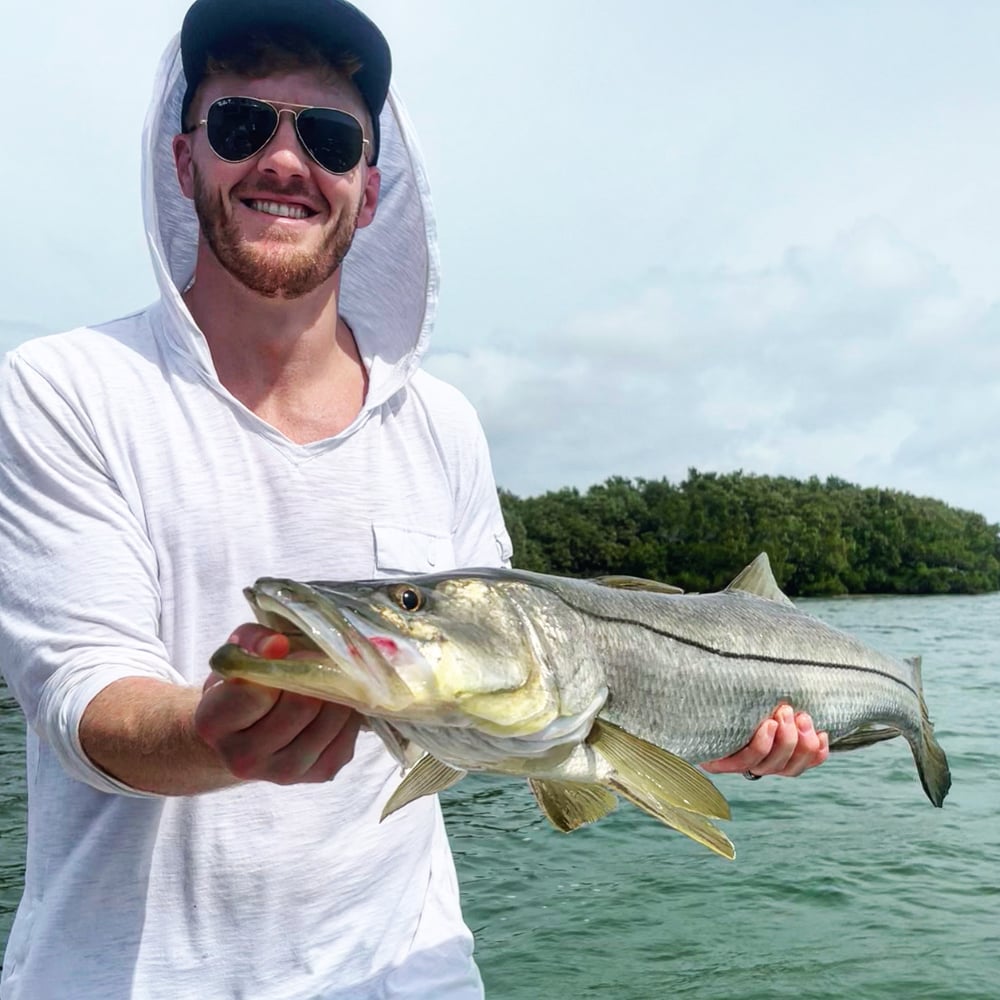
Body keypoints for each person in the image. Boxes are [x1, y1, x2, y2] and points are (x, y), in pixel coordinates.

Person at [0, 1, 828, 996]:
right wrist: (212, 734)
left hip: (411, 971)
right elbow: (81, 699)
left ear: (369, 186)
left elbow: (522, 707)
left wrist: (686, 732)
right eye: (240, 124)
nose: (283, 159)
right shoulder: (61, 386)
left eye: (329, 135)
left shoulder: (445, 426)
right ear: (185, 162)